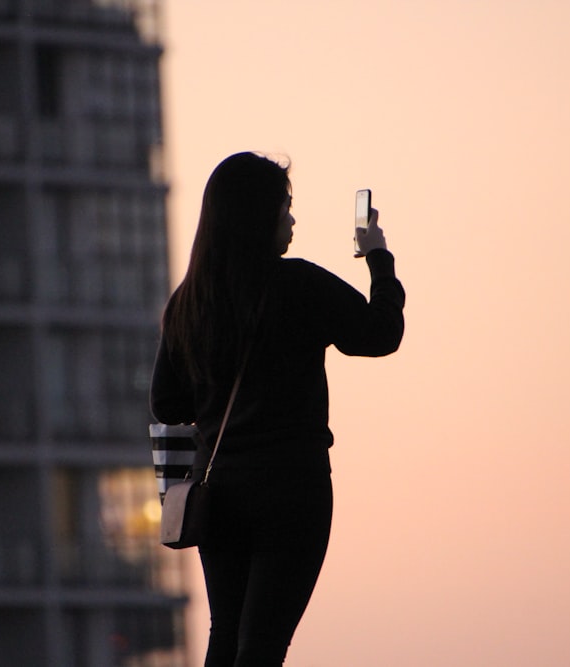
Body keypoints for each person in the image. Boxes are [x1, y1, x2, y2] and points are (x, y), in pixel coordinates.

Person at [150, 152, 405, 666]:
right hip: (292, 487)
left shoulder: (189, 301)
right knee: (262, 644)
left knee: (226, 635)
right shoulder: (299, 285)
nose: (292, 220)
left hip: (218, 492)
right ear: (259, 215)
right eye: (285, 207)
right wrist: (378, 255)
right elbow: (381, 333)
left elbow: (167, 403)